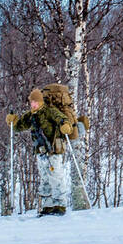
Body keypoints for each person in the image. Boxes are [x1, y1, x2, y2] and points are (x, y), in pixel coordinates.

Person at [7, 87, 75, 216]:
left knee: (56, 176)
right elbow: (19, 127)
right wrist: (13, 121)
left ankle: (60, 204)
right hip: (40, 151)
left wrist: (65, 125)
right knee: (44, 178)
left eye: (35, 102)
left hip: (54, 149)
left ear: (40, 102)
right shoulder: (31, 115)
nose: (33, 104)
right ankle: (48, 205)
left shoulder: (49, 111)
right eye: (31, 102)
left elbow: (62, 119)